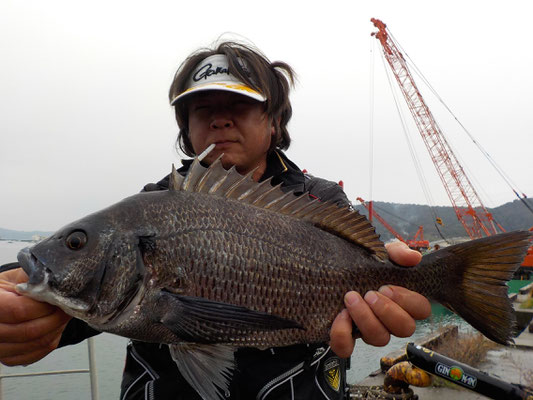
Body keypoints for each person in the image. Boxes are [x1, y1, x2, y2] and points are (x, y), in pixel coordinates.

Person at [0, 41, 430, 399]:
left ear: (275, 119)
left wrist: (389, 293)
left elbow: (370, 283)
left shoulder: (322, 200)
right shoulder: (153, 205)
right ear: (186, 127)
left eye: (239, 105)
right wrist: (22, 312)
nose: (219, 118)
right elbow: (84, 302)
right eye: (202, 108)